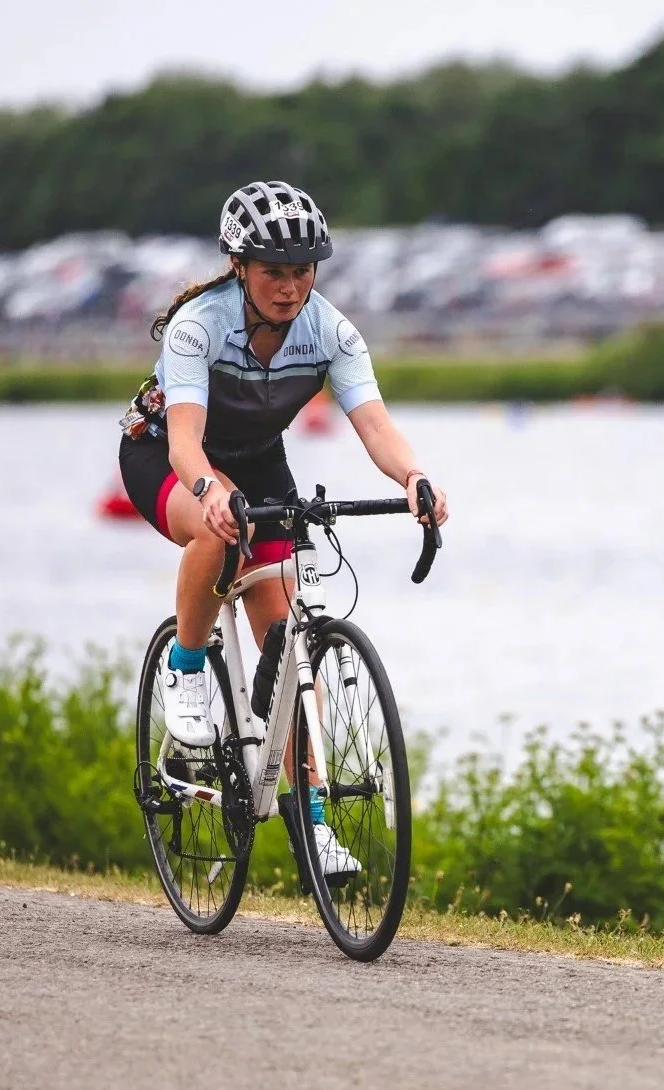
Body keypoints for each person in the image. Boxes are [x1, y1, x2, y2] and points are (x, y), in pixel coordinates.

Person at [119, 180, 448, 872]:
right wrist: (207, 489)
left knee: (290, 645)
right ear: (239, 266)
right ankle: (185, 665)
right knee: (218, 532)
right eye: (274, 271)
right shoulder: (197, 327)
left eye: (303, 271)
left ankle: (313, 822)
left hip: (259, 461)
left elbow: (374, 424)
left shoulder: (331, 331)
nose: (290, 286)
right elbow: (183, 444)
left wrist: (413, 477)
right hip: (165, 455)